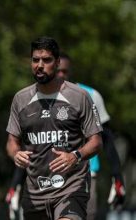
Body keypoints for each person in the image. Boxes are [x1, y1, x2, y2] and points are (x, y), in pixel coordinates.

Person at [6, 36, 103, 220]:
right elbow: (12, 141)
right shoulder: (21, 99)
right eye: (35, 60)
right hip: (35, 194)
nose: (39, 65)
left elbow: (97, 142)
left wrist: (76, 156)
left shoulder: (79, 96)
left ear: (57, 63)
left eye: (46, 60)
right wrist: (16, 154)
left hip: (70, 190)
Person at [58, 52, 126, 220]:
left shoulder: (90, 95)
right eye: (57, 70)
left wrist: (117, 177)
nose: (60, 75)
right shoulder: (37, 99)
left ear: (70, 71)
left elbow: (107, 140)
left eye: (64, 71)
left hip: (86, 176)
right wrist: (16, 184)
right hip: (51, 177)